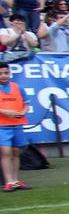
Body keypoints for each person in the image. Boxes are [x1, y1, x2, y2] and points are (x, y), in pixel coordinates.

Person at [0, 61, 32, 192]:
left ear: (10, 73)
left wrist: (24, 111)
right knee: (5, 152)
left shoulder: (18, 88)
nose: (3, 76)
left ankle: (15, 180)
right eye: (1, 73)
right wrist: (5, 112)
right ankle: (8, 181)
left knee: (16, 152)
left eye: (6, 73)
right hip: (2, 125)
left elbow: (27, 104)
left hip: (17, 124)